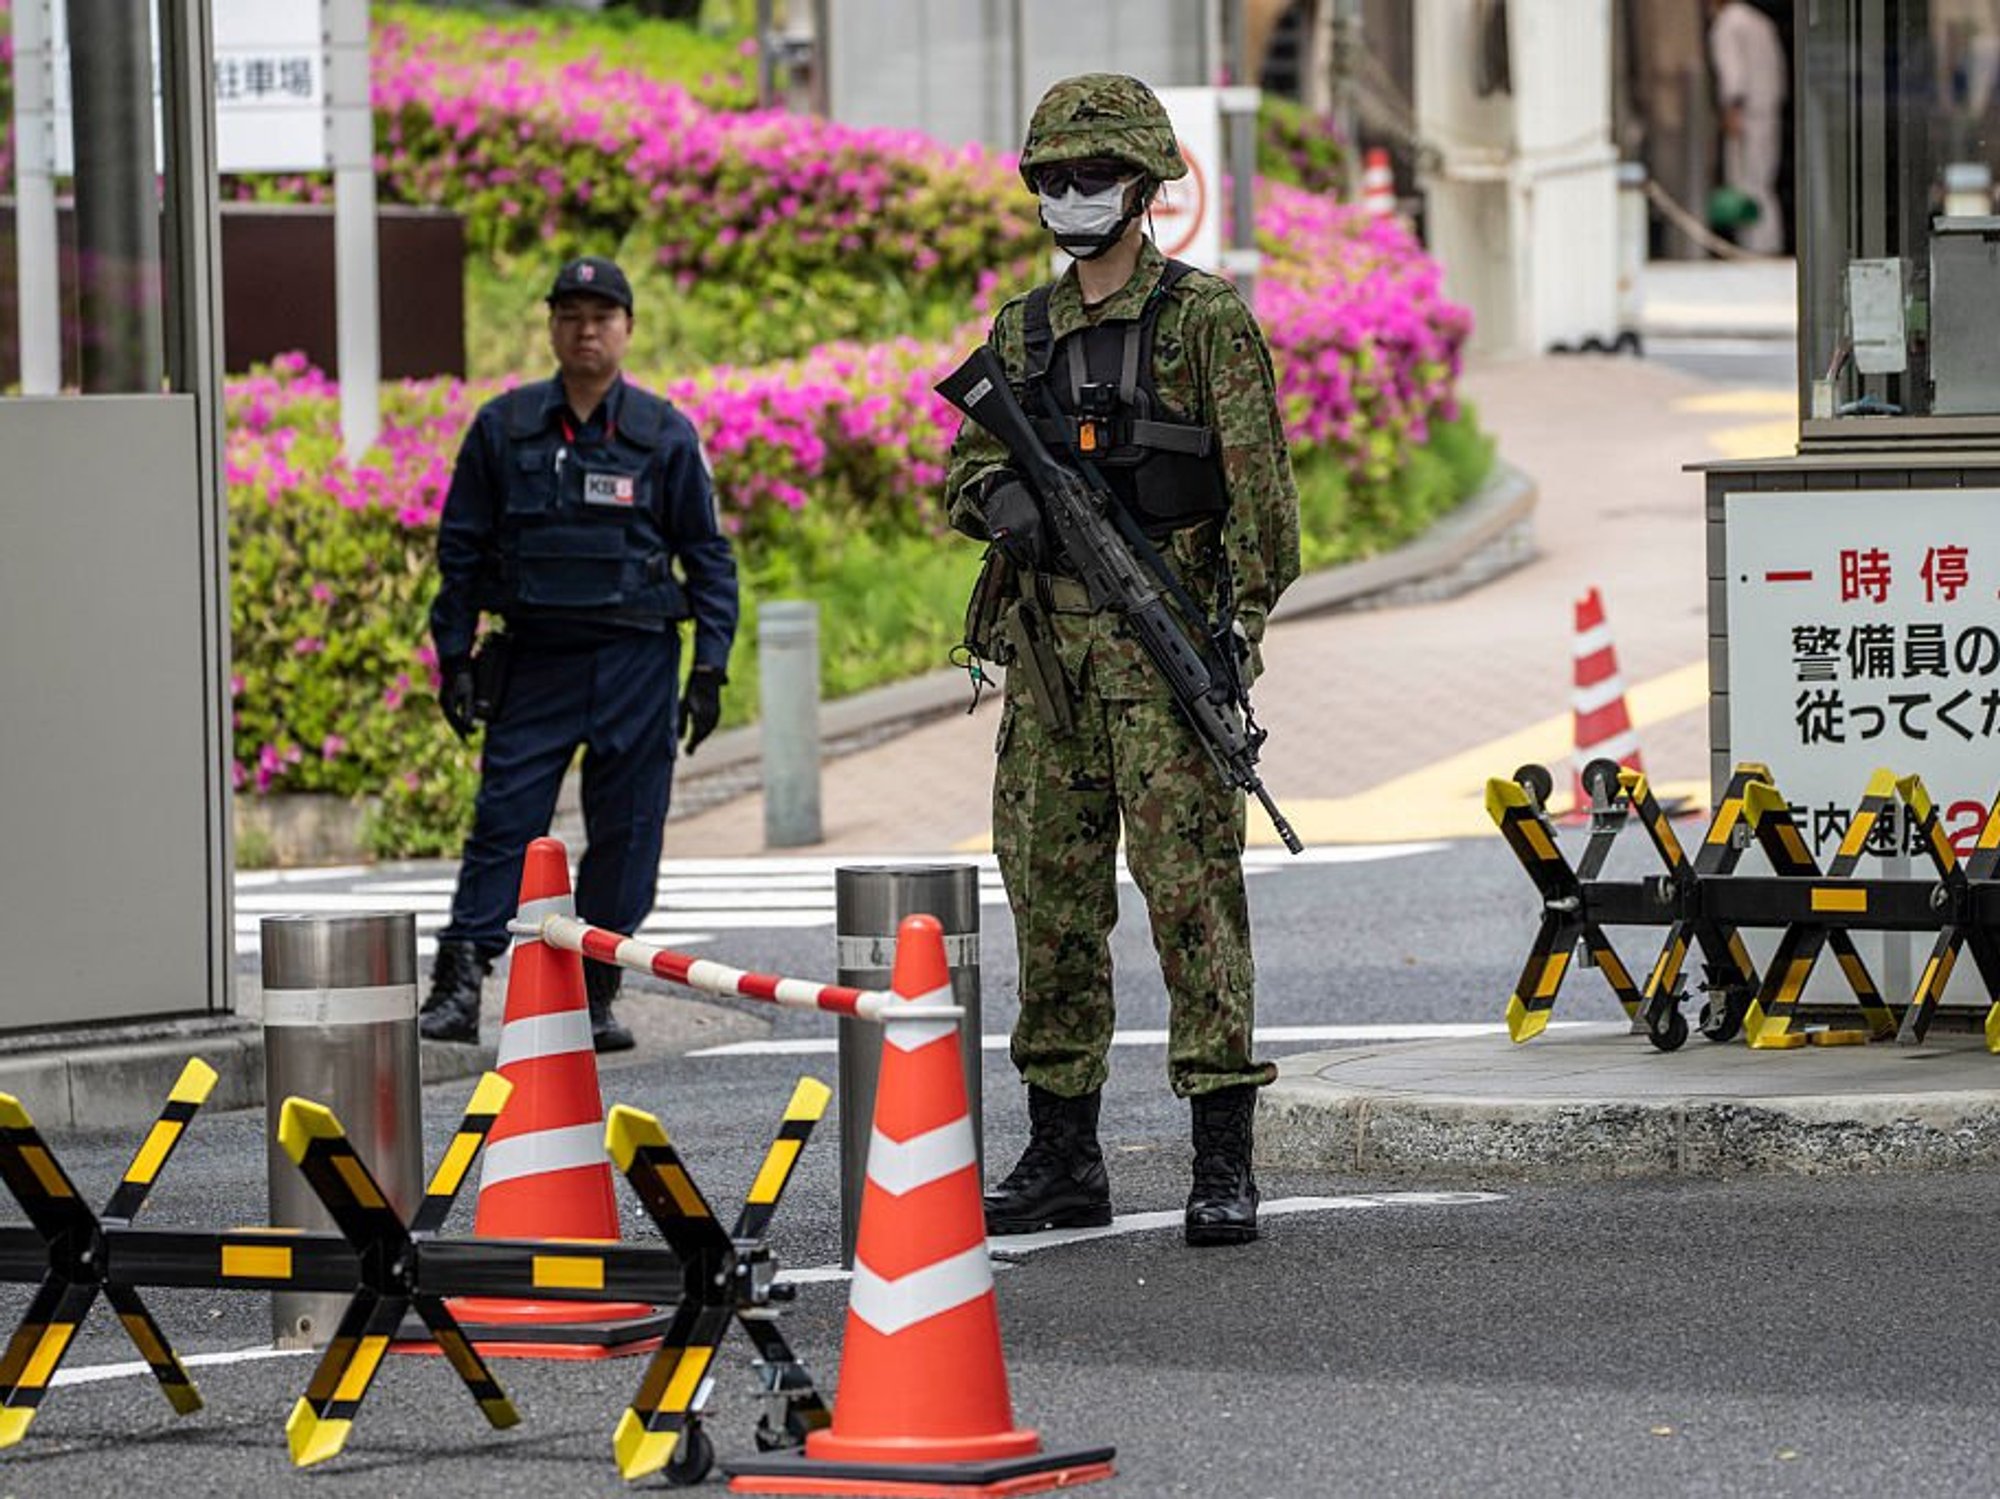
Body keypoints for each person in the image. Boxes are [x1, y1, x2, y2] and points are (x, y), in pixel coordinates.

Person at [944, 74, 1300, 1247]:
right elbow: (958, 473)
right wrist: (1006, 503)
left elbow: (1266, 511)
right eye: (1052, 178)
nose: (1070, 196)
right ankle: (1061, 1152)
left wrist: (1234, 634)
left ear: (1143, 189)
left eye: (1092, 177)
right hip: (1047, 670)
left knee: (1194, 906)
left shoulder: (1205, 323)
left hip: (1163, 666)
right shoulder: (1020, 332)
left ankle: (1219, 1156)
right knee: (1049, 904)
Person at [420, 255, 739, 1052]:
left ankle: (595, 988)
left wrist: (709, 668)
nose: (585, 329)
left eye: (601, 316)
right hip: (536, 659)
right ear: (553, 326)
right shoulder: (503, 427)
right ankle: (460, 981)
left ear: (627, 328)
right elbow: (459, 552)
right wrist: (454, 657)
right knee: (507, 822)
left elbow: (708, 556)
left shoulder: (664, 433)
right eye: (570, 315)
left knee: (629, 829)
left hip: (636, 660)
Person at [1707, 0, 1787, 255]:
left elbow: (1732, 71)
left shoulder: (1728, 25)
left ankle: (1754, 246)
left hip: (1746, 112)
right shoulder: (1761, 21)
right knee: (1763, 181)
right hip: (1768, 109)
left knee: (1746, 183)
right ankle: (1767, 242)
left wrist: (1732, 108)